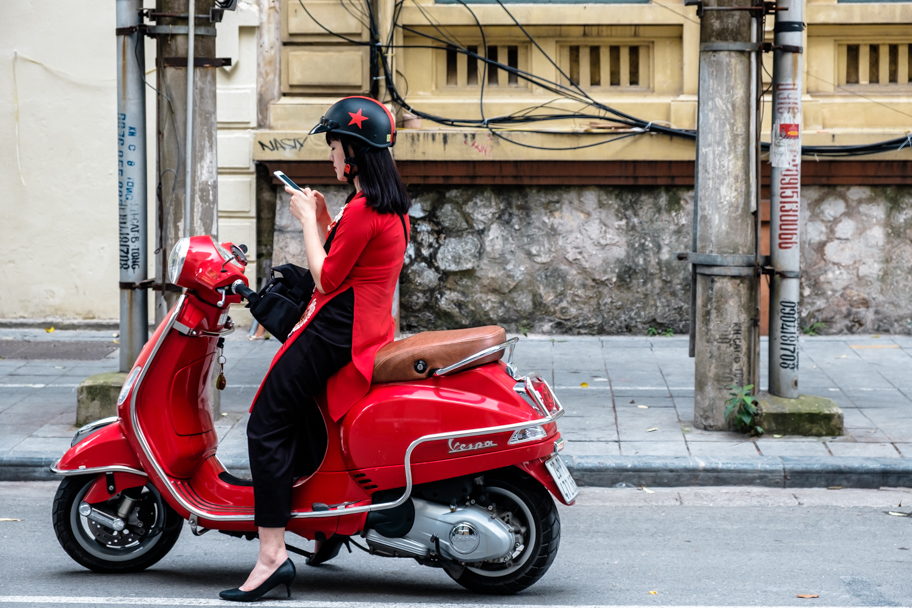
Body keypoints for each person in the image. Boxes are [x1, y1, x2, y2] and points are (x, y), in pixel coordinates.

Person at [219, 96, 411, 602]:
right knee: (305, 418)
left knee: (265, 423)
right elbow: (351, 258)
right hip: (361, 327)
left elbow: (327, 277)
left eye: (334, 147)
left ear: (353, 151)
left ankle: (271, 556)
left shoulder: (368, 207)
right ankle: (322, 526)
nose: (331, 157)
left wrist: (306, 219)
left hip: (334, 330)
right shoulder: (385, 204)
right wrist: (327, 218)